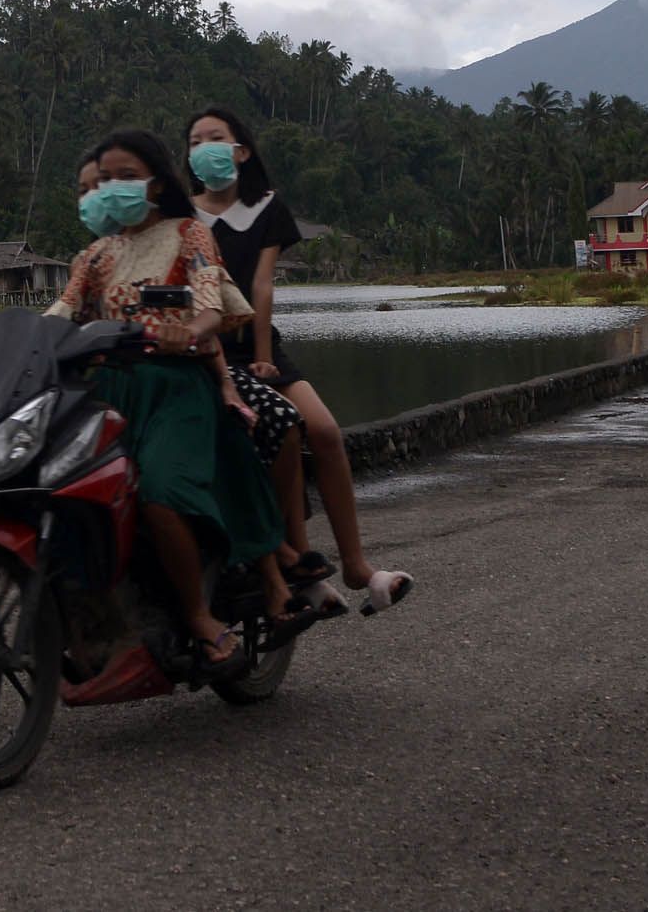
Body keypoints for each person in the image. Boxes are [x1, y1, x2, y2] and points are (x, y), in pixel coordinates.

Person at [45, 129, 307, 665]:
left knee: (159, 492)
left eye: (125, 176)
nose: (112, 188)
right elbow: (61, 313)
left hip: (175, 390)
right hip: (108, 393)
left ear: (156, 181)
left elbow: (212, 302)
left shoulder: (190, 234)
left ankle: (198, 614)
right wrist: (3, 333)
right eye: (105, 178)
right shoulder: (93, 256)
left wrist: (186, 330)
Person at [186, 106, 414, 617]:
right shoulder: (183, 216)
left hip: (258, 345)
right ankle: (293, 558)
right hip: (207, 348)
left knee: (326, 431)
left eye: (216, 138)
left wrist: (264, 357)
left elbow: (262, 285)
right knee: (276, 434)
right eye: (195, 141)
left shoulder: (266, 207)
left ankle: (356, 566)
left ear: (241, 151)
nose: (204, 148)